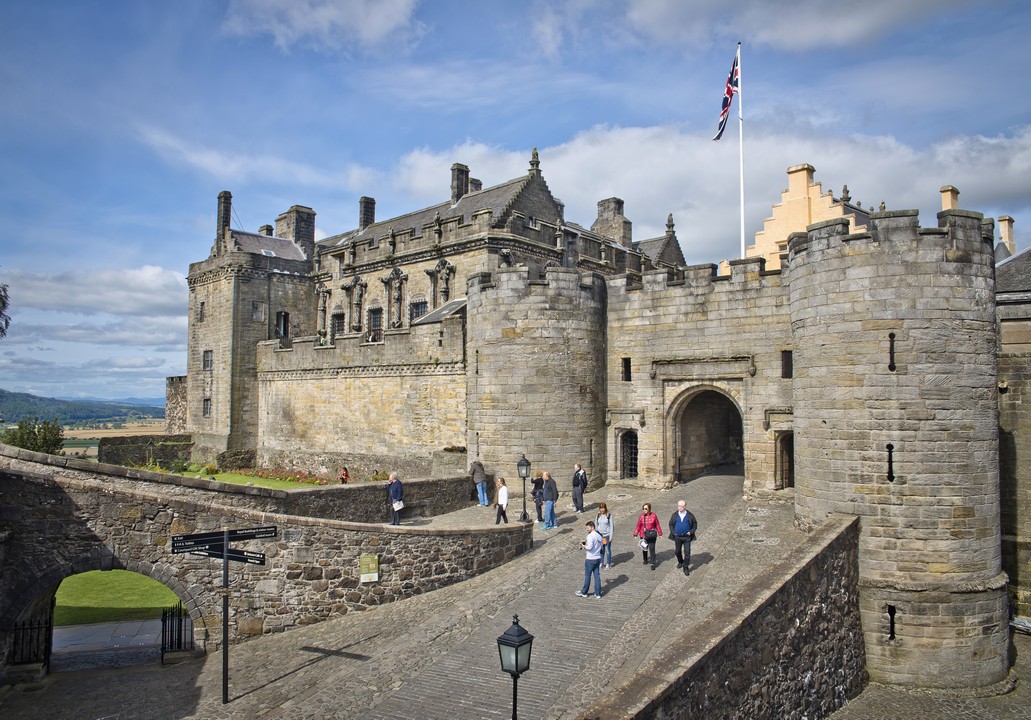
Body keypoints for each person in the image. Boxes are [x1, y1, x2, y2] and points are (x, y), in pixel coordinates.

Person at [668, 500, 698, 576]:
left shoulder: (690, 515)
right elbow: (670, 524)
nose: (679, 508)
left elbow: (695, 524)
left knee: (687, 553)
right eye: (678, 506)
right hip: (677, 537)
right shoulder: (674, 515)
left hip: (687, 537)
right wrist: (673, 532)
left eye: (681, 506)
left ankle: (685, 567)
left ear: (684, 506)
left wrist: (691, 532)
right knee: (677, 552)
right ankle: (680, 561)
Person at [576, 520, 604, 598]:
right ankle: (598, 593)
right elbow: (601, 545)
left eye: (588, 528)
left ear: (592, 527)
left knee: (587, 576)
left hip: (590, 559)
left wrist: (583, 545)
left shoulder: (590, 536)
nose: (587, 529)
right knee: (597, 576)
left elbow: (589, 547)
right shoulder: (598, 535)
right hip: (598, 558)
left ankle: (584, 592)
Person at [633, 502, 662, 569]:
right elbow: (638, 525)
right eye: (643, 508)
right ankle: (645, 559)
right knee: (644, 548)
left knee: (652, 548)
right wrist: (636, 533)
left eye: (646, 508)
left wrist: (660, 533)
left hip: (651, 534)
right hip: (643, 535)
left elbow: (657, 524)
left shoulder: (654, 516)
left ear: (649, 509)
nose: (644, 510)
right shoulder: (641, 516)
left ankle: (653, 562)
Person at [595, 502, 614, 568]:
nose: (602, 510)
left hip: (607, 535)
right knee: (601, 549)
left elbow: (611, 526)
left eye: (603, 508)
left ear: (605, 508)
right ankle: (601, 562)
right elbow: (596, 524)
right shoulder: (598, 515)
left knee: (607, 549)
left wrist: (611, 536)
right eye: (601, 508)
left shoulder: (609, 516)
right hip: (600, 535)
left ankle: (608, 563)